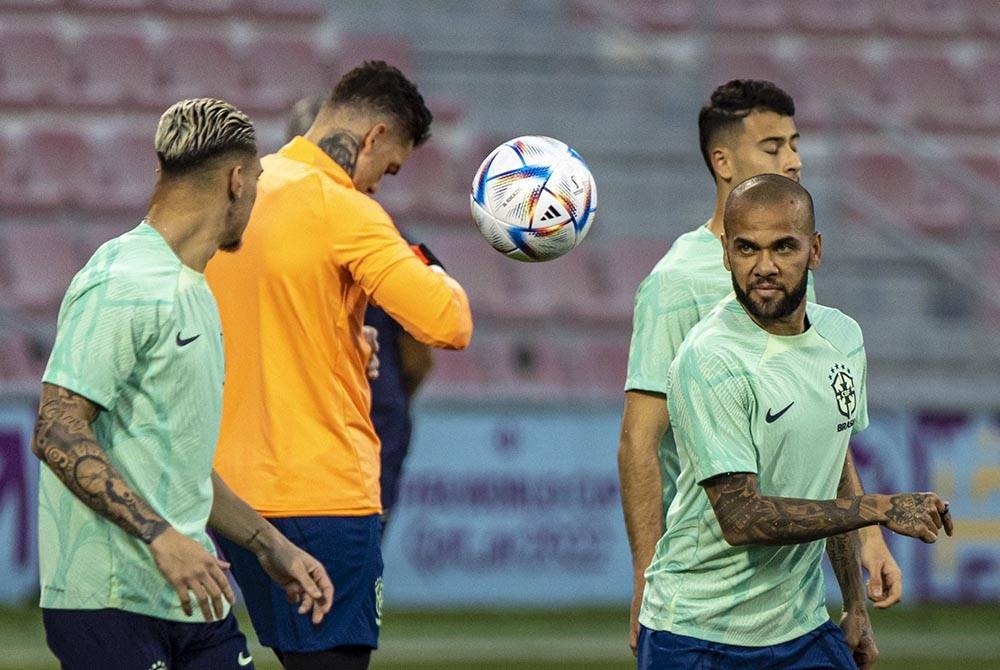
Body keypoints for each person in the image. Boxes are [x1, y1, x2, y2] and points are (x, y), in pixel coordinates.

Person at [31, 98, 334, 670]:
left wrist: (272, 546)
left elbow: (180, 467)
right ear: (237, 181)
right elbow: (56, 431)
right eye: (259, 182)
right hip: (110, 601)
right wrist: (161, 538)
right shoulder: (122, 280)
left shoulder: (193, 287)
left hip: (193, 598)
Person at [618, 79, 904, 657]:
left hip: (793, 604)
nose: (793, 159)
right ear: (722, 161)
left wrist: (862, 552)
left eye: (795, 143)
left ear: (810, 250)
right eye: (773, 147)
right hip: (706, 587)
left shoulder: (789, 271)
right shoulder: (676, 283)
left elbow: (821, 425)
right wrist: (644, 584)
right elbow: (638, 443)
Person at [206, 61, 473, 670]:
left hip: (229, 495)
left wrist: (344, 344)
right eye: (390, 168)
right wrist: (427, 263)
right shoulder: (345, 209)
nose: (379, 185)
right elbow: (446, 324)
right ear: (375, 136)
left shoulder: (238, 188)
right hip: (321, 495)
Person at [637, 173, 953, 669]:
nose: (764, 267)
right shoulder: (711, 357)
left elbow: (834, 473)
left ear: (815, 249)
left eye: (784, 247)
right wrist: (879, 509)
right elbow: (743, 519)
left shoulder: (843, 337)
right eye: (747, 249)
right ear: (726, 254)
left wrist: (854, 606)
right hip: (698, 636)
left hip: (801, 627)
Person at [286, 94, 435, 533]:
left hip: (302, 432)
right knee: (351, 578)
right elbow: (420, 354)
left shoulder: (259, 230)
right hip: (367, 427)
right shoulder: (387, 238)